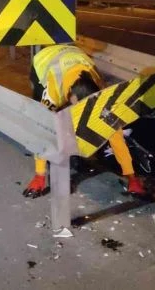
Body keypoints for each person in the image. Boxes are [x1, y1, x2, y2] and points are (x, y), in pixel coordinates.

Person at [23, 45, 147, 198]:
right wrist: (39, 175)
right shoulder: (53, 90)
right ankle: (49, 164)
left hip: (75, 57)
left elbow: (115, 133)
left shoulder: (101, 90)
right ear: (70, 96)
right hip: (44, 60)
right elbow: (42, 128)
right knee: (47, 119)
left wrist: (131, 176)